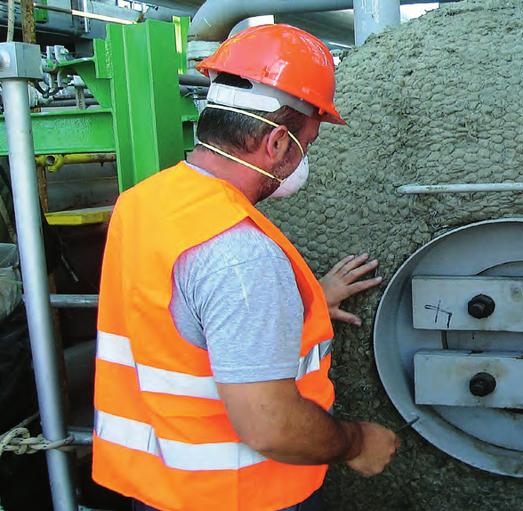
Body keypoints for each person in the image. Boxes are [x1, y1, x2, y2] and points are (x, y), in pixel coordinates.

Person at [92, 24, 397, 511]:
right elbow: (270, 426)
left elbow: (182, 321)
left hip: (159, 487)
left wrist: (304, 300)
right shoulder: (240, 254)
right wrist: (357, 442)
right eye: (306, 144)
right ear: (277, 143)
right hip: (237, 496)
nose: (301, 159)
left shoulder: (144, 203)